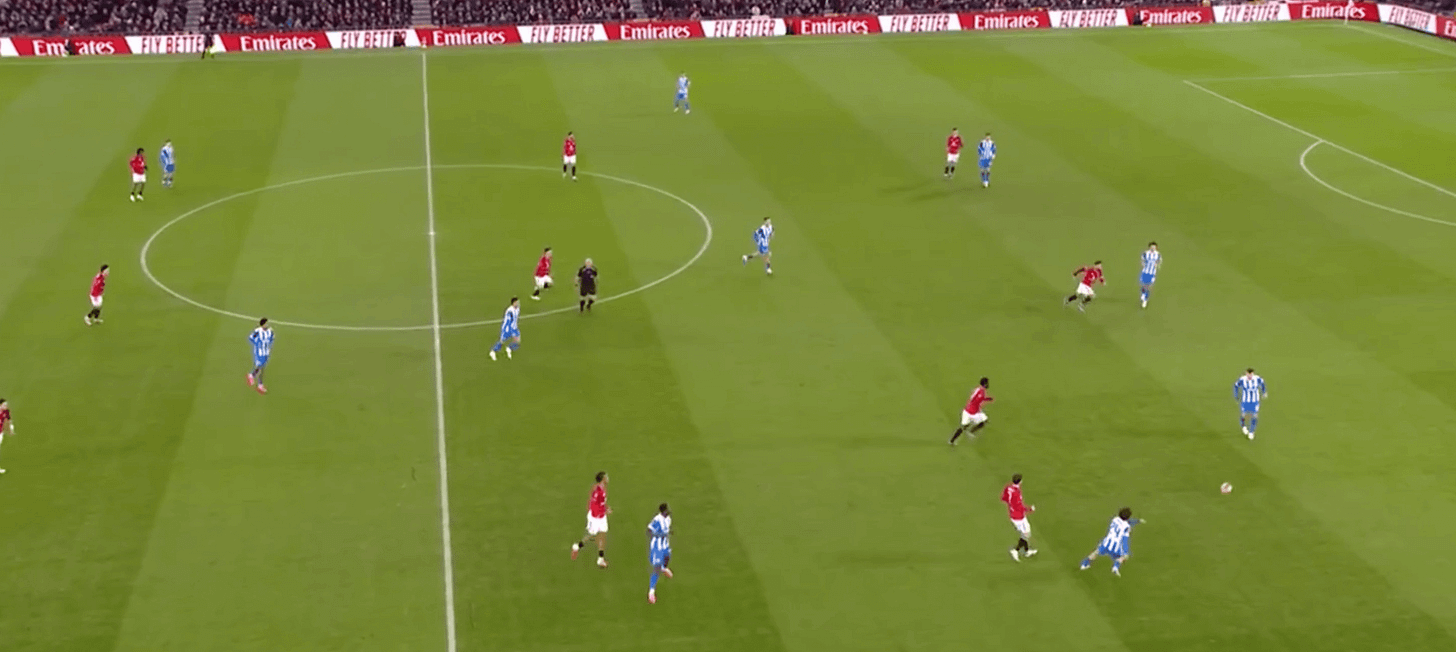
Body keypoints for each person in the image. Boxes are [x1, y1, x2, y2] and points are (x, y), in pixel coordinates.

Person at [1079, 507, 1143, 576]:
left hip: (1107, 542)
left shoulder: (1115, 519)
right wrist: (1126, 552)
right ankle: (1115, 568)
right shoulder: (1127, 527)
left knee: (1096, 552)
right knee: (1123, 557)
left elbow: (1124, 521)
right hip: (1116, 546)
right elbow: (1125, 540)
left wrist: (1137, 521)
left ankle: (1084, 564)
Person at [571, 471, 611, 568]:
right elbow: (596, 506)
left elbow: (601, 502)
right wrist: (605, 510)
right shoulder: (599, 492)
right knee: (591, 535)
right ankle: (577, 546)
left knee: (602, 534)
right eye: (606, 477)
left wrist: (606, 508)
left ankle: (600, 559)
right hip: (595, 517)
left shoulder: (600, 488)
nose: (608, 478)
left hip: (600, 516)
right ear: (603, 479)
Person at [1001, 474, 1036, 561]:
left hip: (1014, 515)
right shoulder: (1016, 492)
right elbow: (1019, 506)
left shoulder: (1008, 488)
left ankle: (1026, 551)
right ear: (1020, 481)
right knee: (1026, 534)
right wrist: (1030, 509)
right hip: (1018, 517)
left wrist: (1011, 505)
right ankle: (1016, 550)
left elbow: (1004, 498)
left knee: (1026, 532)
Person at [948, 377, 992, 445]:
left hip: (973, 412)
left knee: (984, 420)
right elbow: (974, 398)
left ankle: (971, 431)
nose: (988, 384)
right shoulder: (979, 390)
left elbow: (979, 398)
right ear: (985, 384)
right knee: (963, 427)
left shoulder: (981, 391)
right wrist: (976, 403)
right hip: (969, 412)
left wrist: (987, 399)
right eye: (987, 383)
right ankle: (953, 440)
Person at [646, 503, 673, 603]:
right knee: (656, 568)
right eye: (666, 510)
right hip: (657, 546)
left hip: (665, 544)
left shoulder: (668, 519)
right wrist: (659, 534)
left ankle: (664, 568)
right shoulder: (657, 520)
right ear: (663, 511)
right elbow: (649, 530)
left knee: (667, 556)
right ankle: (651, 592)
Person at [1234, 368, 1267, 440]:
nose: (1249, 376)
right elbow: (1236, 386)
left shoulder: (1257, 379)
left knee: (1255, 416)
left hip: (1255, 401)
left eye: (1251, 374)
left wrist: (1264, 392)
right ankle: (1243, 426)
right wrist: (1236, 395)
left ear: (1253, 374)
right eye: (1248, 374)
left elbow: (1262, 384)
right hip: (1245, 401)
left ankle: (1251, 432)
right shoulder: (1242, 380)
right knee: (1244, 415)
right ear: (1246, 374)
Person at [247, 318, 274, 394]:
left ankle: (251, 375)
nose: (267, 324)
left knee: (260, 367)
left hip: (265, 352)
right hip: (259, 352)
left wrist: (268, 348)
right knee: (261, 369)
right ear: (263, 324)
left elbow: (271, 339)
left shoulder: (270, 331)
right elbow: (251, 338)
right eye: (266, 323)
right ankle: (260, 385)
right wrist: (258, 345)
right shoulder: (258, 331)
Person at [1139, 242, 1161, 309]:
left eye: (1154, 247)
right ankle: (1143, 294)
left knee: (1147, 286)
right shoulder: (1145, 253)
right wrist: (1144, 265)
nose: (1153, 248)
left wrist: (1156, 267)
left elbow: (1158, 262)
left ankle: (1145, 300)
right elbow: (1142, 260)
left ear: (1156, 247)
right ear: (1149, 247)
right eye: (1152, 246)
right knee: (1143, 285)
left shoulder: (1158, 255)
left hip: (1151, 273)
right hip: (1145, 272)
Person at [0, 399, 14, 474]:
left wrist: (11, 428)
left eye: (6, 404)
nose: (6, 405)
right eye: (4, 404)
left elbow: (9, 419)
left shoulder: (6, 411)